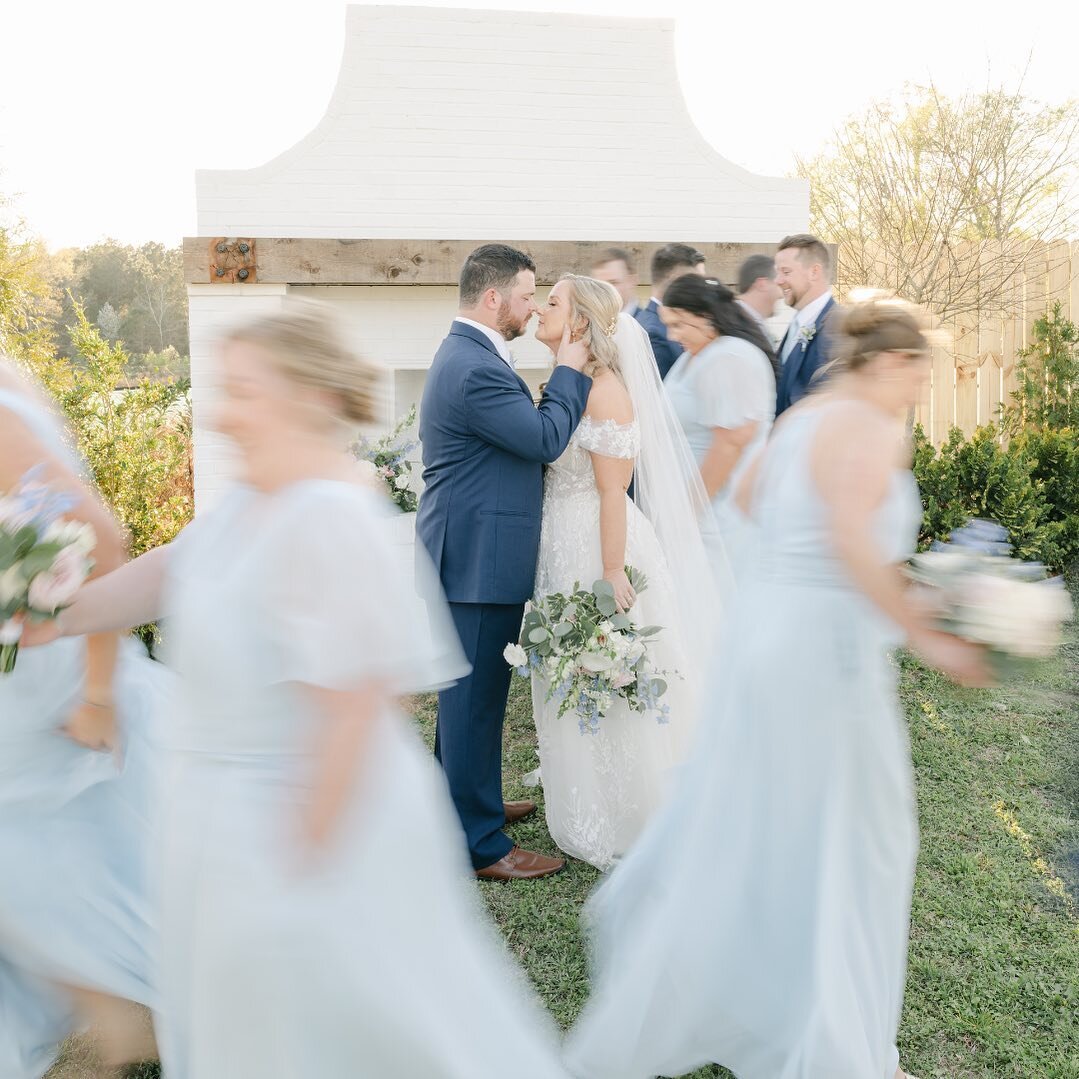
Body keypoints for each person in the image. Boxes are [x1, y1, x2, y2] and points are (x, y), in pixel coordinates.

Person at [27, 302, 575, 1079]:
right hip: (217, 817)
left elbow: (355, 709)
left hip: (302, 819)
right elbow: (160, 577)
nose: (221, 413)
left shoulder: (328, 519)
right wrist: (50, 608)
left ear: (310, 398)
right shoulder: (246, 505)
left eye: (245, 391)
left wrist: (297, 876)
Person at [565, 296, 990, 1079]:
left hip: (769, 642)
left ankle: (750, 1000)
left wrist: (798, 581)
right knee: (851, 844)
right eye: (918, 369)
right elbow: (853, 548)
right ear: (889, 363)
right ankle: (841, 1048)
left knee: (769, 825)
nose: (922, 386)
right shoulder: (869, 427)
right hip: (822, 658)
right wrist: (932, 634)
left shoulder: (805, 417)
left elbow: (755, 500)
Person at [0, 359, 163, 1076]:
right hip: (29, 686)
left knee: (48, 876)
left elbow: (100, 536)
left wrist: (98, 693)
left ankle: (124, 1016)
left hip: (47, 691)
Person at [529, 275, 720, 871]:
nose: (540, 309)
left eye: (552, 303)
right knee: (572, 667)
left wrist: (612, 571)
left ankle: (632, 805)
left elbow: (613, 491)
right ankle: (587, 785)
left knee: (610, 670)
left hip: (597, 542)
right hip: (563, 538)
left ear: (579, 323)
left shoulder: (604, 390)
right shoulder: (571, 381)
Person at [417, 244, 592, 880]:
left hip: (468, 549)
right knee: (474, 702)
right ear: (494, 300)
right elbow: (546, 439)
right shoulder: (476, 367)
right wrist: (571, 370)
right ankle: (482, 844)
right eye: (526, 296)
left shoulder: (469, 355)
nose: (531, 306)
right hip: (476, 556)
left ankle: (466, 808)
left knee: (473, 697)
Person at [661, 274, 777, 572]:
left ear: (707, 317)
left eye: (679, 324)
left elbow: (730, 444)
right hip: (698, 512)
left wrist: (687, 511)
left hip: (717, 518)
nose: (672, 336)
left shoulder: (728, 358)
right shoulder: (699, 355)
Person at [774, 233, 836, 415]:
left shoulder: (836, 328)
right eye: (777, 272)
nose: (778, 280)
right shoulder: (797, 324)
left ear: (814, 272)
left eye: (786, 272)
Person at [634, 243, 706, 379]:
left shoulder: (646, 318)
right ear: (675, 280)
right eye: (696, 281)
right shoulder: (654, 333)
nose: (702, 288)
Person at [736, 253, 783, 344]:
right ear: (762, 284)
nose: (781, 295)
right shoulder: (736, 326)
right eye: (777, 284)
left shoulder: (750, 324)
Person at [590, 247, 640, 316]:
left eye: (613, 283)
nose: (605, 291)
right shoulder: (586, 323)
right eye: (599, 285)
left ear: (632, 281)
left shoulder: (648, 325)